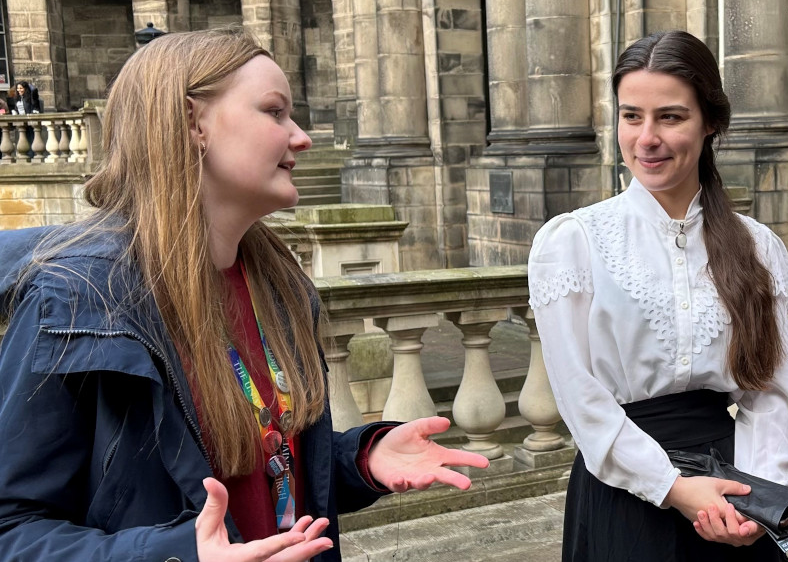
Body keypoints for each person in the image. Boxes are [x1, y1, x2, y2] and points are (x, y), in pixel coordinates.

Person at [0, 28, 489, 562]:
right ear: (192, 123)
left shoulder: (279, 282)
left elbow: (268, 462)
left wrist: (361, 460)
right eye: (274, 111)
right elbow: (13, 529)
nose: (301, 137)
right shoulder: (76, 299)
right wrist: (183, 555)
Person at [527, 30, 788, 561]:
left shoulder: (758, 248)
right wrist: (673, 489)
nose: (646, 137)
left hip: (731, 496)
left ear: (710, 123)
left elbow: (770, 392)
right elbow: (582, 400)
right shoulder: (573, 241)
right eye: (632, 116)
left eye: (670, 117)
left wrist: (757, 499)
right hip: (625, 493)